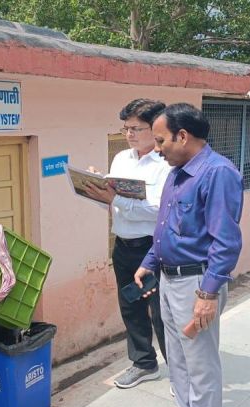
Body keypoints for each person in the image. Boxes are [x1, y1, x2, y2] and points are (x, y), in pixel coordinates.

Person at [134, 103, 243, 407]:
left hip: (197, 281)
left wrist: (208, 294)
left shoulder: (218, 174)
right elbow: (166, 225)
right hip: (168, 277)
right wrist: (149, 262)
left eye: (161, 140)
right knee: (177, 353)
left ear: (184, 136)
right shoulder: (177, 172)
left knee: (200, 358)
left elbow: (225, 242)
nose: (157, 147)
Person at [84, 99, 171, 389]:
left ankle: (179, 372)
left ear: (156, 127)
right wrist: (95, 190)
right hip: (123, 245)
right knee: (131, 306)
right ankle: (144, 363)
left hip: (154, 248)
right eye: (126, 128)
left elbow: (161, 209)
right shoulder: (121, 158)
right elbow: (113, 205)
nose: (130, 134)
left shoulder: (165, 163)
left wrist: (116, 199)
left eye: (137, 128)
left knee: (161, 311)